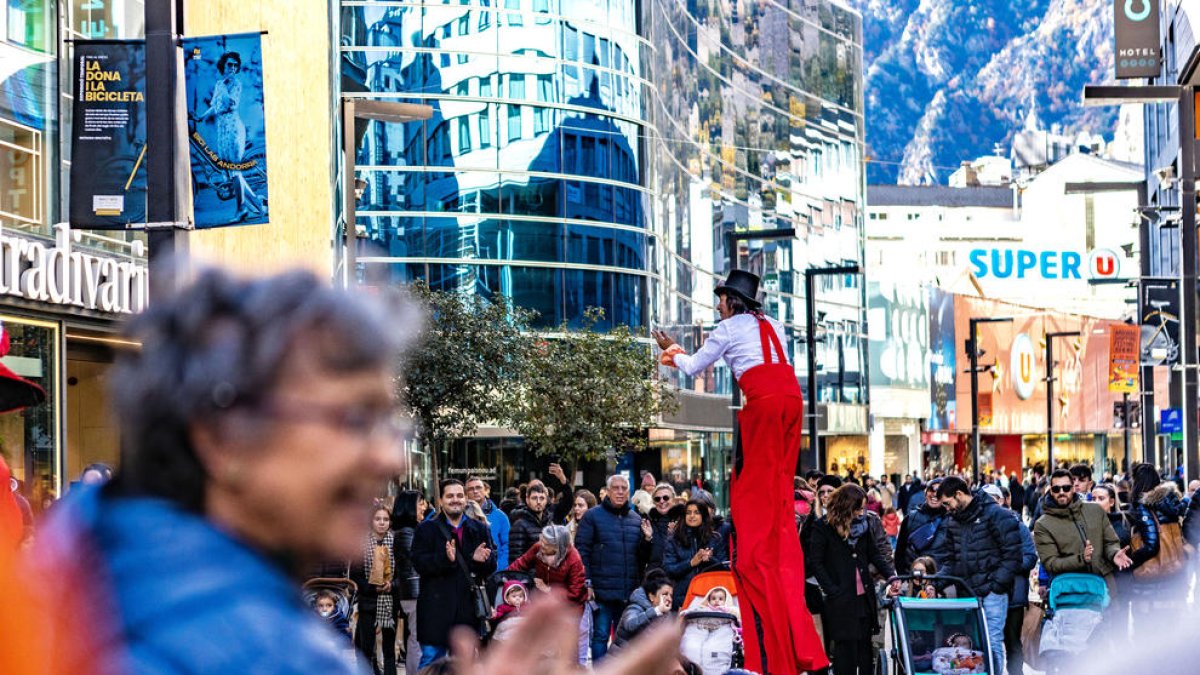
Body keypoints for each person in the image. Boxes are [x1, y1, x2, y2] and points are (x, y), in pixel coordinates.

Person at [20, 268, 414, 673]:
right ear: (224, 440)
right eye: (355, 419)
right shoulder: (276, 658)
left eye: (388, 422)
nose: (390, 458)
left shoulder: (77, 571)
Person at [654, 269, 828, 675]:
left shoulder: (728, 328)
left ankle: (760, 535)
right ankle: (775, 522)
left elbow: (696, 366)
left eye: (721, 299)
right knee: (779, 485)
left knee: (754, 489)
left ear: (733, 301)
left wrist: (671, 349)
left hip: (764, 403)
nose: (717, 305)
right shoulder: (774, 325)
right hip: (791, 400)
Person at [806, 484, 898, 675]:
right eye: (858, 508)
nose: (861, 512)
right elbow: (816, 562)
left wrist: (891, 575)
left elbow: (875, 554)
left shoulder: (864, 527)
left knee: (865, 648)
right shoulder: (822, 527)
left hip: (864, 596)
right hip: (841, 599)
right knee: (845, 651)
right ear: (847, 507)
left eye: (863, 508)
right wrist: (832, 589)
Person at [935, 476, 1023, 675]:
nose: (946, 509)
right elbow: (951, 559)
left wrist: (996, 584)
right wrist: (936, 583)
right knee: (972, 644)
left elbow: (1013, 554)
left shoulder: (996, 515)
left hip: (992, 592)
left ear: (959, 494)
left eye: (947, 503)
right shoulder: (953, 522)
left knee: (991, 642)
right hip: (968, 592)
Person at [411, 479, 497, 668]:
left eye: (459, 495)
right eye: (450, 496)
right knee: (431, 662)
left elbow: (491, 565)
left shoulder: (479, 529)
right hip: (435, 611)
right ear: (440, 500)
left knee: (463, 666)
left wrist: (479, 561)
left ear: (466, 498)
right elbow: (419, 563)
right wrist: (445, 559)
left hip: (466, 611)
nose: (455, 500)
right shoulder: (426, 529)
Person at [575, 474, 647, 662]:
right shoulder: (592, 516)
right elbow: (582, 551)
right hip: (601, 591)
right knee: (600, 636)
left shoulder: (635, 519)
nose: (620, 492)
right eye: (616, 488)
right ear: (607, 491)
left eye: (624, 488)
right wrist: (587, 582)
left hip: (628, 591)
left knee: (625, 638)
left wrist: (648, 539)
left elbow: (641, 556)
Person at [350, 506, 401, 675]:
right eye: (377, 519)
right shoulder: (361, 543)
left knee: (389, 646)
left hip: (389, 600)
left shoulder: (396, 542)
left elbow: (402, 573)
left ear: (390, 522)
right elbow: (356, 575)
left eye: (385, 520)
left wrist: (391, 585)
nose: (381, 523)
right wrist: (372, 587)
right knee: (366, 645)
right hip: (368, 600)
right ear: (371, 521)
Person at [663, 499, 728, 610]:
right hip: (682, 599)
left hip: (710, 598)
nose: (692, 516)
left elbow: (725, 568)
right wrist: (691, 563)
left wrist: (710, 559)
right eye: (688, 512)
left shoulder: (715, 538)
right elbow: (668, 569)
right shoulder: (674, 540)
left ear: (703, 515)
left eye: (696, 512)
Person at [389, 490, 423, 675]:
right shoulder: (406, 533)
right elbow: (414, 560)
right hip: (413, 591)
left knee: (416, 637)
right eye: (420, 503)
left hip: (413, 590)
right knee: (416, 638)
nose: (424, 506)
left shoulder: (407, 531)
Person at [894, 478, 947, 574]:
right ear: (925, 493)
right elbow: (899, 552)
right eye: (932, 490)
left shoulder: (951, 519)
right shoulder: (910, 518)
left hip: (942, 579)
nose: (935, 494)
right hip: (914, 579)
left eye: (939, 491)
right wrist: (904, 578)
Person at [613, 570, 674, 650]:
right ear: (651, 596)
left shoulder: (666, 614)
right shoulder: (635, 607)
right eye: (665, 594)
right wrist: (656, 611)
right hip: (621, 660)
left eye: (671, 595)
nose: (669, 599)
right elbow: (630, 625)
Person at [465, 477, 509, 566]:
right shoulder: (460, 516)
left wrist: (500, 568)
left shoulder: (500, 516)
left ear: (485, 490)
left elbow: (507, 545)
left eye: (478, 488)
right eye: (471, 489)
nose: (475, 491)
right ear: (466, 494)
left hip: (495, 572)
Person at [508, 483, 553, 564]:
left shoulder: (550, 523)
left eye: (542, 498)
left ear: (546, 500)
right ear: (527, 500)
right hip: (528, 575)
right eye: (534, 498)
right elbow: (516, 560)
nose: (538, 502)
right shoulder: (519, 525)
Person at [643, 483, 682, 569]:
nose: (661, 501)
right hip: (655, 576)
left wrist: (674, 536)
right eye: (657, 499)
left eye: (666, 498)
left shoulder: (683, 521)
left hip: (678, 575)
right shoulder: (648, 523)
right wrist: (647, 539)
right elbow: (642, 557)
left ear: (674, 500)